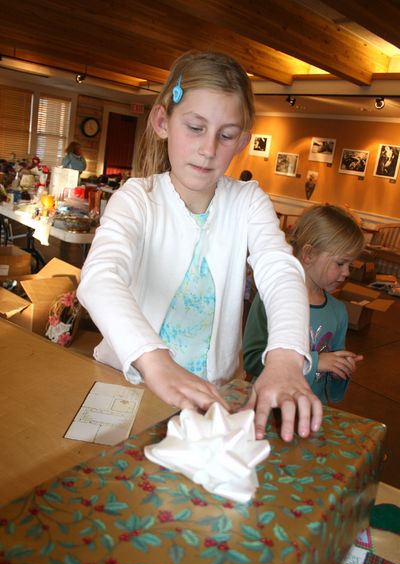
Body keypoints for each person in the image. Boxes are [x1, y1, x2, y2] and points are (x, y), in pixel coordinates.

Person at [77, 50, 323, 443]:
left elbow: (279, 271)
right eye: (195, 127)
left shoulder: (247, 201)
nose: (209, 149)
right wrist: (155, 361)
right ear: (163, 122)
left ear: (241, 141)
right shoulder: (137, 198)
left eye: (225, 136)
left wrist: (285, 357)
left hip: (213, 394)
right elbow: (99, 278)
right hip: (129, 381)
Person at [243, 204, 365, 404]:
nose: (347, 272)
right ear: (308, 254)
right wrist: (316, 363)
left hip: (312, 410)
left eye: (350, 265)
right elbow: (252, 360)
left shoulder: (338, 311)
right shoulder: (271, 299)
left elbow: (331, 379)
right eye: (340, 263)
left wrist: (339, 369)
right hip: (269, 405)